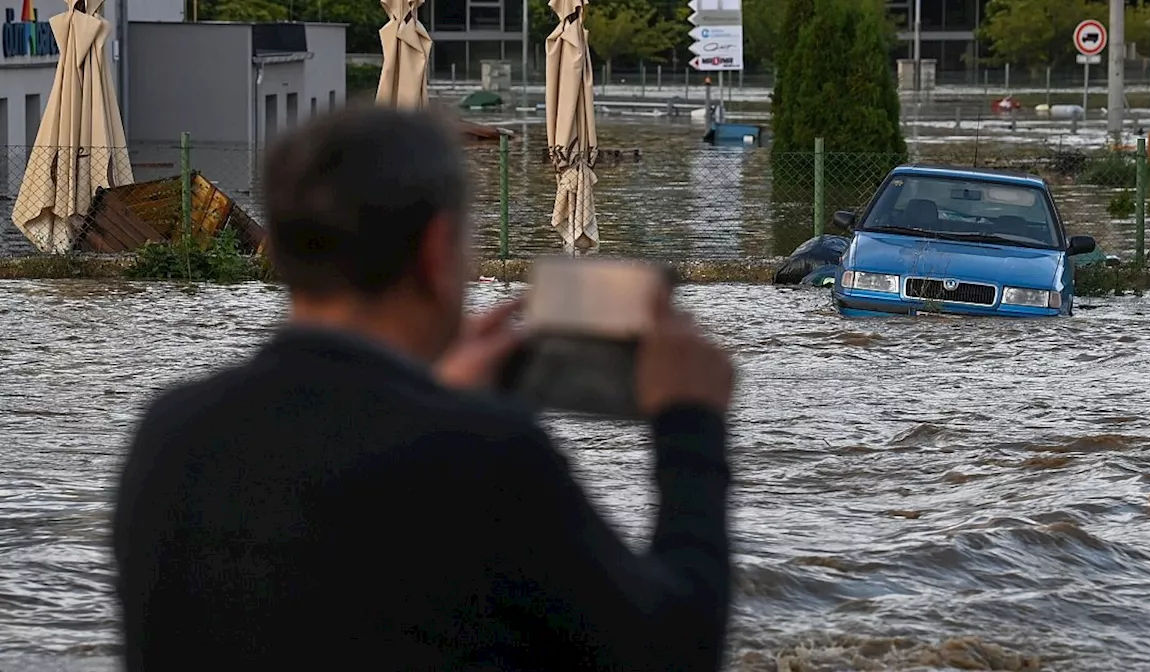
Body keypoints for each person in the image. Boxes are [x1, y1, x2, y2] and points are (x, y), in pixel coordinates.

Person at [111, 106, 736, 672]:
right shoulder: (485, 457)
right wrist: (690, 422)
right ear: (438, 252)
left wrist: (439, 394)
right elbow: (673, 649)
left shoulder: (170, 434)